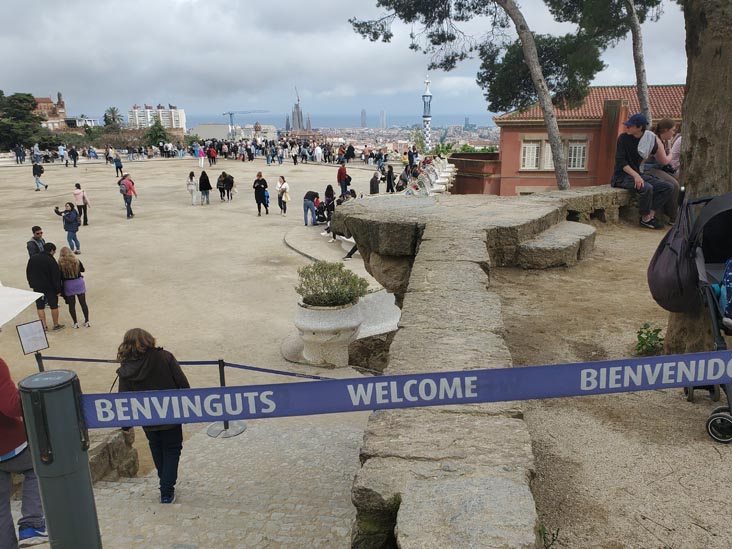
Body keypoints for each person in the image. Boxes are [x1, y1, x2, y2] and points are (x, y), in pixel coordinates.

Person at [116, 329, 190, 504]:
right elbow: (183, 384)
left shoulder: (126, 370)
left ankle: (165, 481)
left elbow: (123, 398)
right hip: (171, 414)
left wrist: (126, 424)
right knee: (172, 450)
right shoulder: (165, 357)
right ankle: (166, 490)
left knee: (155, 447)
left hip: (147, 418)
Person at [0, 357, 48, 548]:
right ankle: (32, 524)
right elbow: (11, 406)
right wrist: (31, 396)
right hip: (8, 443)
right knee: (38, 466)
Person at [610, 113, 673, 229]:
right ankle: (645, 218)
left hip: (637, 173)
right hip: (622, 177)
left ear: (639, 128)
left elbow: (655, 154)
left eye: (630, 126)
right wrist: (636, 175)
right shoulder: (623, 139)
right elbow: (621, 162)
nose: (627, 128)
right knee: (647, 188)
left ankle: (650, 216)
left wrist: (667, 147)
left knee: (667, 187)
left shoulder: (648, 139)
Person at [643, 118, 680, 222]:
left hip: (658, 169)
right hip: (649, 170)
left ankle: (677, 210)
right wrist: (671, 153)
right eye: (672, 130)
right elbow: (664, 160)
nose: (674, 133)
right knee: (674, 184)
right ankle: (673, 216)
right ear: (665, 130)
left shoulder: (664, 141)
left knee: (680, 179)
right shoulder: (657, 141)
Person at [26, 242, 64, 331]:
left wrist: (32, 284)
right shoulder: (51, 260)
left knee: (40, 306)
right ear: (51, 251)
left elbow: (28, 272)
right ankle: (56, 324)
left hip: (37, 287)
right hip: (50, 288)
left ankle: (43, 326)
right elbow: (56, 277)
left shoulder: (33, 258)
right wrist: (58, 289)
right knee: (54, 306)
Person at [58, 247, 90, 328]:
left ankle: (75, 323)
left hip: (68, 284)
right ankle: (87, 321)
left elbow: (59, 276)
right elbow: (82, 269)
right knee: (83, 303)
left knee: (72, 305)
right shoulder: (76, 260)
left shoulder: (60, 263)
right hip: (78, 282)